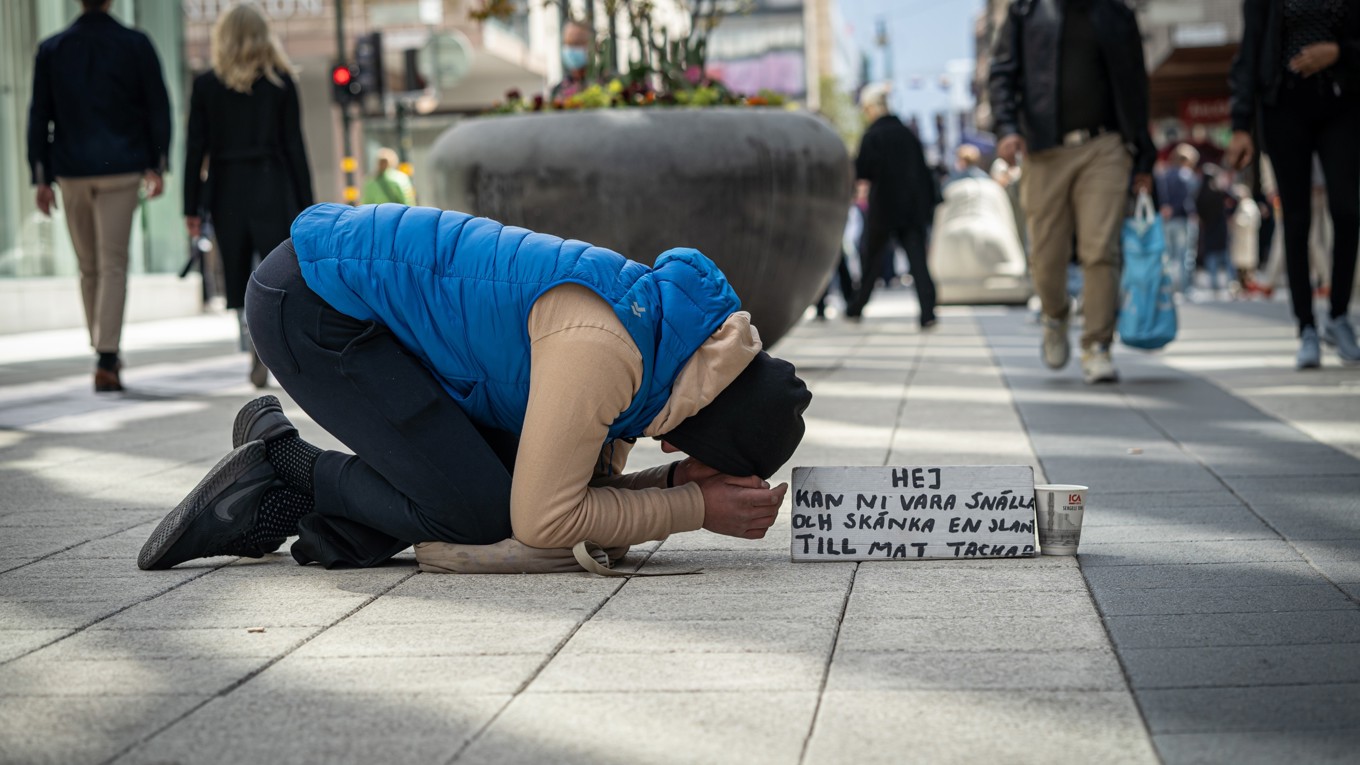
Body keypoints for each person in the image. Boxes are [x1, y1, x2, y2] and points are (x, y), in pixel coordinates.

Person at [137, 203, 811, 571]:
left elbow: (583, 491)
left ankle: (322, 521)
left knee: (484, 484)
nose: (671, 454)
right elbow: (543, 521)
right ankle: (286, 465)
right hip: (316, 307)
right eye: (696, 457)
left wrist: (675, 488)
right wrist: (694, 506)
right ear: (702, 427)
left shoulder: (667, 342)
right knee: (477, 513)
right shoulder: (608, 351)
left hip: (345, 298)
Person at [989, 0, 1155, 384]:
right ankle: (1055, 313)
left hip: (1105, 147)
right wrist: (1007, 127)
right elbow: (1002, 72)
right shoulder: (1027, 10)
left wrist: (1144, 157)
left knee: (1100, 249)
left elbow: (1136, 84)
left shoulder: (1115, 12)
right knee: (1046, 256)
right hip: (1044, 150)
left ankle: (1097, 345)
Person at [27, 0, 171, 393]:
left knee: (88, 265)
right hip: (122, 167)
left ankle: (103, 348)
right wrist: (158, 164)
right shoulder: (135, 44)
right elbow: (157, 106)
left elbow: (39, 113)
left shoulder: (52, 48)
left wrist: (40, 176)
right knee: (113, 264)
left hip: (70, 170)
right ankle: (106, 355)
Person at [184, 3, 314, 388]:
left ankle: (252, 345)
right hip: (273, 182)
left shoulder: (206, 86)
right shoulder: (281, 83)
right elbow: (295, 148)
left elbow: (195, 149)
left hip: (226, 186)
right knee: (278, 271)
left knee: (239, 273)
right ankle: (272, 346)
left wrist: (191, 206)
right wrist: (308, 207)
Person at [1226, 0, 1360, 368]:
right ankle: (1306, 327)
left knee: (1347, 211)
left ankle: (1338, 316)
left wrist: (1339, 52)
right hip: (1283, 106)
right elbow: (1250, 51)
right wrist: (1240, 125)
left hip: (1342, 102)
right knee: (1296, 220)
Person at [844, 83, 939, 328]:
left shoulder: (873, 135)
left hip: (884, 208)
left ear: (872, 108)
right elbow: (924, 173)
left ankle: (856, 306)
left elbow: (861, 170)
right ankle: (928, 312)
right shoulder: (907, 133)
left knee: (871, 260)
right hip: (911, 209)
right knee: (917, 261)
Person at [1157, 143, 1201, 294]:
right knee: (1185, 256)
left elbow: (1160, 197)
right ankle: (1184, 288)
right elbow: (1189, 199)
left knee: (1167, 256)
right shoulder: (1187, 175)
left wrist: (1165, 208)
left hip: (1166, 220)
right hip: (1182, 219)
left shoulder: (1163, 174)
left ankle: (1168, 288)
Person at [1195, 165, 1238, 296]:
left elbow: (1199, 211)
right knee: (1225, 256)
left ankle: (1215, 284)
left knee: (1213, 256)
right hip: (1219, 228)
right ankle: (1232, 282)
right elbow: (1234, 200)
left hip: (1209, 229)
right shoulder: (1218, 193)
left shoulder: (1201, 194)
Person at [550, 20, 593, 102]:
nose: (571, 49)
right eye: (568, 43)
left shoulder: (603, 85)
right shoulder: (558, 91)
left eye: (577, 43)